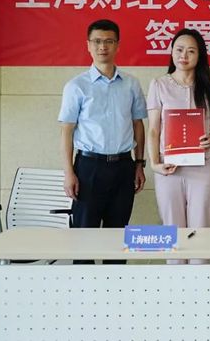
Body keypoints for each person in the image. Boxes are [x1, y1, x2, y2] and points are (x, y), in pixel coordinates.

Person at [59, 19, 147, 262]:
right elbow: (66, 131)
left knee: (118, 238)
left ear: (118, 45)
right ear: (88, 45)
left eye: (109, 41)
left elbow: (138, 125)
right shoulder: (76, 86)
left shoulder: (131, 84)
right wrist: (69, 173)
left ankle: (115, 285)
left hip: (123, 167)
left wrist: (139, 164)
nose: (103, 47)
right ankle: (83, 286)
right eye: (97, 41)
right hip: (89, 168)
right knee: (84, 238)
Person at [146, 28, 210, 264]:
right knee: (172, 232)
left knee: (200, 232)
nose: (184, 56)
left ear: (200, 55)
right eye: (179, 50)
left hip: (204, 166)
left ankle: (199, 283)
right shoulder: (159, 85)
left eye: (191, 51)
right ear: (171, 52)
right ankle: (175, 283)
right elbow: (154, 129)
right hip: (169, 168)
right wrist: (154, 163)